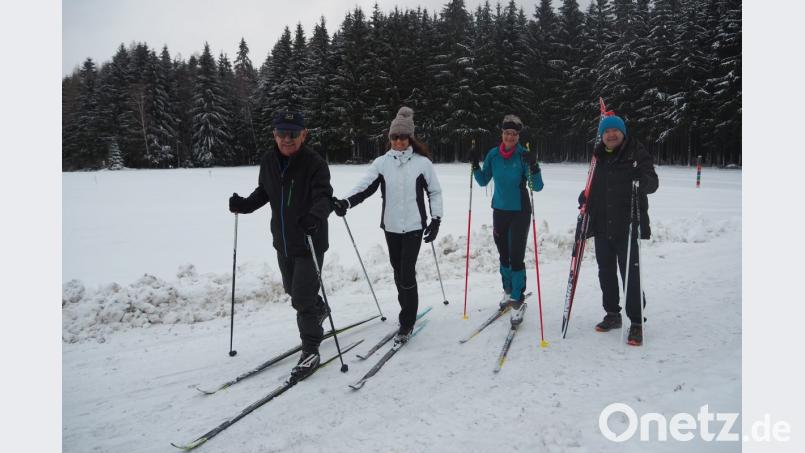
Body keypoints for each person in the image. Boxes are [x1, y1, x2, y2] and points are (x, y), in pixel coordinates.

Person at [228, 110, 333, 380]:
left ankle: (311, 348)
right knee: (292, 290)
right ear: (274, 134)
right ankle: (319, 308)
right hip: (283, 242)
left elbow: (324, 197)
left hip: (310, 240)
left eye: (293, 134)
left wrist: (315, 216)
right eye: (282, 134)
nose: (287, 139)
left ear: (304, 134)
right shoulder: (269, 161)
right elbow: (265, 191)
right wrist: (245, 205)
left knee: (301, 298)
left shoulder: (315, 163)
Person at [331, 107, 443, 345]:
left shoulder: (422, 164)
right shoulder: (382, 163)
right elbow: (365, 186)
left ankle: (407, 320)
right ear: (389, 138)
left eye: (402, 137)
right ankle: (406, 310)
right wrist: (346, 202)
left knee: (406, 272)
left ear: (410, 137)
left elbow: (434, 192)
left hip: (413, 226)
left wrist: (436, 219)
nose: (398, 141)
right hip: (391, 227)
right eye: (394, 137)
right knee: (397, 270)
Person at [579, 110, 658, 346]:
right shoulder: (599, 157)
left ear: (623, 133)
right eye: (607, 131)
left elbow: (652, 183)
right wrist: (585, 197)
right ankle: (612, 314)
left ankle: (636, 322)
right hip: (602, 224)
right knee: (605, 272)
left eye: (615, 130)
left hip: (628, 225)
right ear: (602, 136)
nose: (611, 135)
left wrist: (641, 180)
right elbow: (595, 186)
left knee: (630, 275)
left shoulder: (636, 153)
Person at [471, 114, 544, 326]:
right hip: (500, 211)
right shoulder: (493, 155)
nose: (510, 137)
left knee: (516, 255)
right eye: (506, 133)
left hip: (520, 211)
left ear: (518, 136)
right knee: (503, 254)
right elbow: (483, 181)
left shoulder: (523, 155)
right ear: (501, 134)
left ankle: (518, 300)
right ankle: (508, 290)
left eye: (514, 134)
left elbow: (537, 187)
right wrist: (475, 164)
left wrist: (534, 165)